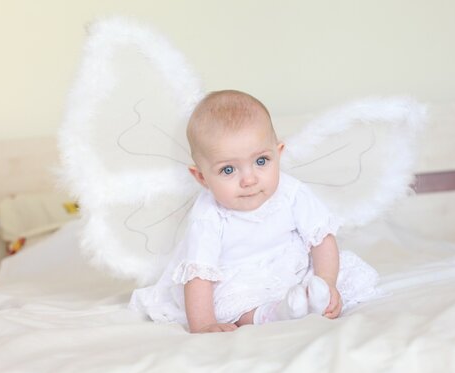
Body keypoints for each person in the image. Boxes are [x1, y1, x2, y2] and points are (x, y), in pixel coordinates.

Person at [129, 90, 379, 333]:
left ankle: (317, 296)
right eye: (228, 170)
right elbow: (199, 276)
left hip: (290, 267)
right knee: (231, 308)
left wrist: (328, 282)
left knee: (335, 274)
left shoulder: (291, 192)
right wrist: (204, 324)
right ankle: (273, 314)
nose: (249, 180)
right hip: (238, 279)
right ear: (201, 177)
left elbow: (322, 239)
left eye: (261, 161)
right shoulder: (208, 216)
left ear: (277, 154)